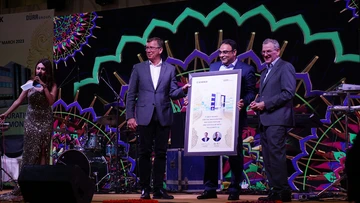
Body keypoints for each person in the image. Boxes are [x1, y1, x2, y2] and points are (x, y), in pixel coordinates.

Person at [126, 37, 190, 199]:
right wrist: (130, 117)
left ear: (160, 50)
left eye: (152, 48)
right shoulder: (138, 68)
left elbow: (173, 92)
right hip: (144, 116)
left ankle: (158, 189)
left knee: (161, 154)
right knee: (144, 153)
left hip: (163, 116)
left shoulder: (169, 69)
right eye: (146, 48)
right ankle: (145, 188)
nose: (148, 50)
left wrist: (183, 90)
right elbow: (131, 94)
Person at [196, 39, 256, 201]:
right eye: (220, 52)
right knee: (210, 152)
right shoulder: (214, 67)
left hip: (233, 119)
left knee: (234, 154)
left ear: (234, 52)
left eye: (226, 52)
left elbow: (251, 93)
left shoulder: (246, 69)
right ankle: (210, 188)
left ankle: (235, 188)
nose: (222, 55)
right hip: (213, 117)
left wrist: (243, 101)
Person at [0, 58, 57, 201]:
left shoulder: (52, 85)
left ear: (47, 71)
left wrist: (44, 87)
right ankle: (26, 184)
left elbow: (50, 102)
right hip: (31, 121)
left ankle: (41, 184)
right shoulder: (29, 84)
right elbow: (19, 101)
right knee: (30, 151)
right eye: (38, 68)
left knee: (43, 150)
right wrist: (6, 114)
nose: (40, 71)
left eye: (43, 69)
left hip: (45, 120)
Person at [249, 38, 296, 202]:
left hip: (277, 120)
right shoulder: (265, 71)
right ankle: (274, 190)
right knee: (268, 157)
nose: (265, 54)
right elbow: (266, 95)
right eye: (263, 51)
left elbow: (288, 93)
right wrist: (257, 103)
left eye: (269, 51)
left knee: (276, 156)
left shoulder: (285, 67)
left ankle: (283, 192)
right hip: (265, 120)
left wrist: (265, 104)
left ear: (278, 51)